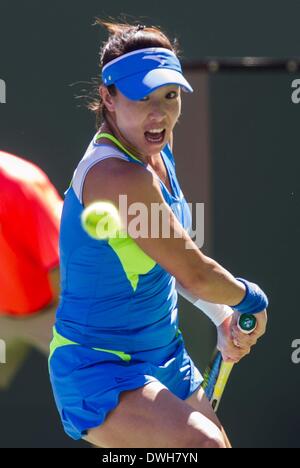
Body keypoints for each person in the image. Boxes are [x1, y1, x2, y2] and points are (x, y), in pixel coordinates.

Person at [48, 20, 268, 448]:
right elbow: (193, 271)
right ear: (107, 98)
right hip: (98, 369)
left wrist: (221, 316)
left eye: (170, 96)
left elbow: (165, 262)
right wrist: (248, 298)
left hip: (163, 353)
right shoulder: (117, 176)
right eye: (142, 97)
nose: (160, 113)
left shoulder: (155, 150)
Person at [0, 150, 62, 389]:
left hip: (56, 311)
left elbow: (62, 267)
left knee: (105, 393)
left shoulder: (20, 183)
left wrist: (75, 333)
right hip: (3, 317)